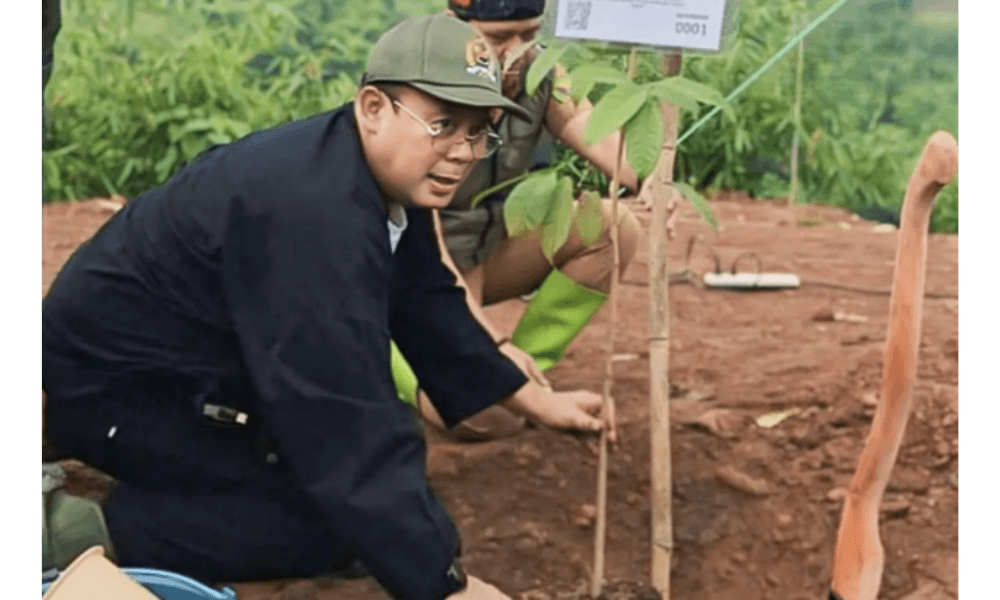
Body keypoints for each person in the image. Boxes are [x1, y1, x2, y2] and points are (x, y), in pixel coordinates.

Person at [42, 14, 613, 600]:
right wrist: (447, 586)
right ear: (372, 107)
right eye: (442, 124)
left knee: (360, 497)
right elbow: (345, 417)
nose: (463, 152)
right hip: (116, 391)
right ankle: (73, 531)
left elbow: (424, 298)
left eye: (477, 131)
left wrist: (528, 397)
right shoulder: (312, 219)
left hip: (188, 366)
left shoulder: (367, 171)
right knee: (328, 523)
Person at [390, 0, 672, 441]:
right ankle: (390, 355)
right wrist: (489, 351)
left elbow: (581, 117)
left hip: (483, 252)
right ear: (453, 26)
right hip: (408, 280)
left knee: (611, 227)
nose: (517, 51)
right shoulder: (419, 94)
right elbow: (426, 254)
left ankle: (529, 368)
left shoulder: (540, 73)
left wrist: (647, 173)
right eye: (499, 38)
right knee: (485, 418)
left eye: (529, 34)